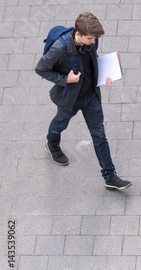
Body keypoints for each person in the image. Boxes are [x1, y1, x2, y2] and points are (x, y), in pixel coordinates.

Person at [35, 12, 131, 190]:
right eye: (89, 38)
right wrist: (65, 79)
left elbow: (91, 61)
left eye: (94, 38)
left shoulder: (91, 40)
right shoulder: (59, 49)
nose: (93, 42)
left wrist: (104, 75)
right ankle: (52, 143)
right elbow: (41, 69)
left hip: (91, 96)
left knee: (99, 135)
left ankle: (109, 176)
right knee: (60, 123)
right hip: (69, 98)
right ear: (78, 34)